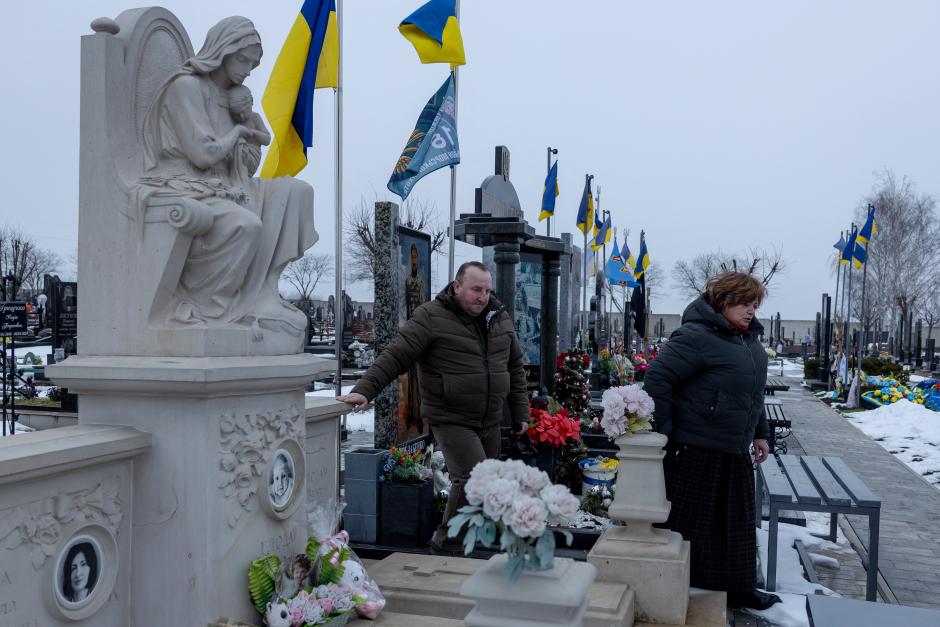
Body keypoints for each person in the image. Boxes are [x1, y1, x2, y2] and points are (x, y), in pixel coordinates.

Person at [137, 16, 316, 340]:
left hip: (231, 184)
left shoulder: (235, 98)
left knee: (297, 192)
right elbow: (203, 155)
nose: (248, 69)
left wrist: (246, 147)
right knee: (246, 225)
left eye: (253, 63)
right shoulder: (186, 87)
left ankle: (263, 293)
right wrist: (236, 134)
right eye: (244, 59)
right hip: (188, 183)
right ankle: (213, 306)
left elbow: (246, 165)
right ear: (224, 49)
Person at [338, 262, 529, 553]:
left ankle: (469, 537)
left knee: (485, 484)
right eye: (476, 289)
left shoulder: (498, 317)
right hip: (451, 415)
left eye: (487, 290)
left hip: (490, 418)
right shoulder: (431, 316)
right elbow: (397, 354)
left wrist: (521, 414)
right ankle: (447, 544)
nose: (483, 297)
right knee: (474, 478)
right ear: (457, 286)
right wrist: (365, 389)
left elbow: (514, 367)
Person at [643, 271, 780, 610]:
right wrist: (666, 430)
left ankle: (738, 588)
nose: (751, 310)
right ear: (724, 301)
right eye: (745, 303)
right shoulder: (696, 335)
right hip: (696, 448)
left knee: (736, 528)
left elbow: (752, 393)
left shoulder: (747, 340)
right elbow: (658, 377)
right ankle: (674, 583)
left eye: (755, 304)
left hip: (734, 447)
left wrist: (760, 432)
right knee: (689, 525)